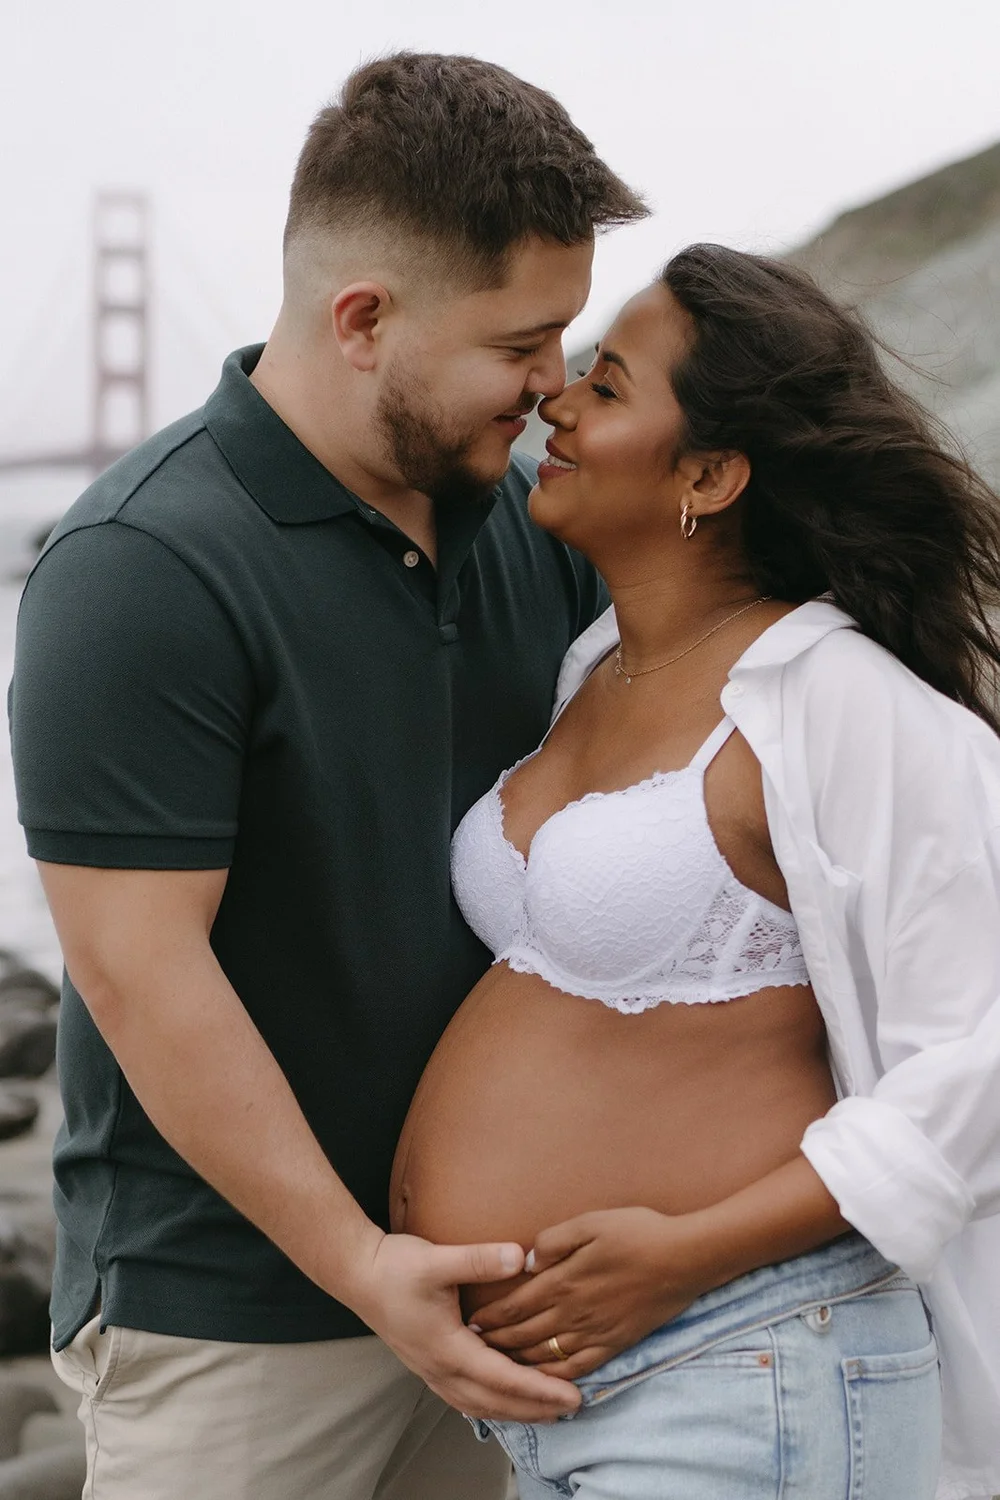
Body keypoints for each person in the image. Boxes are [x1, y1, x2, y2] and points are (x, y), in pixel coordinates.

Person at [8, 53, 647, 1500]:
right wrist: (366, 1265)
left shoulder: (530, 525)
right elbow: (135, 972)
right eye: (521, 340)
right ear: (363, 319)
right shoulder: (140, 572)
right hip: (234, 1317)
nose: (553, 381)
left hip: (502, 1282)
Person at [391, 244, 1000, 1500]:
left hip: (743, 1363)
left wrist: (682, 1253)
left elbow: (979, 1065)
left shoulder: (837, 701)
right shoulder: (597, 666)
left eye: (606, 386)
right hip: (567, 1403)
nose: (555, 401)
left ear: (711, 474)